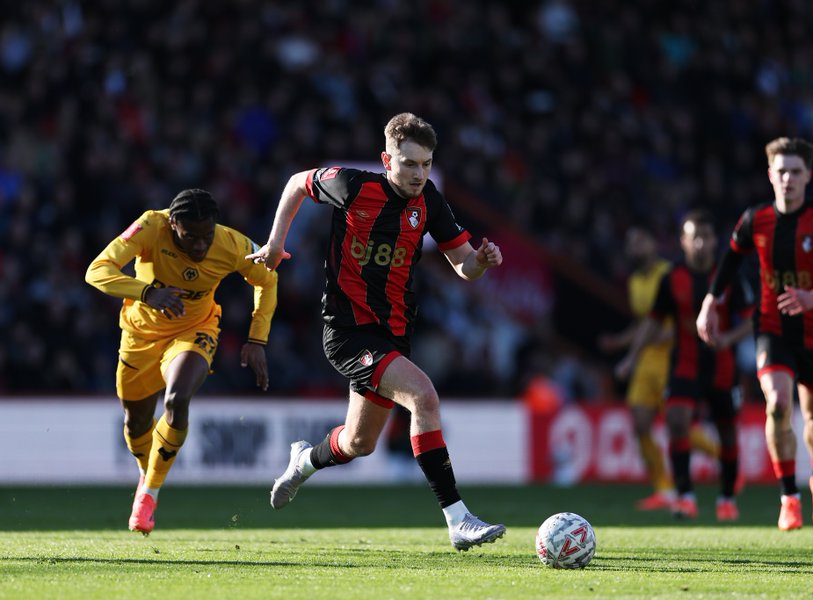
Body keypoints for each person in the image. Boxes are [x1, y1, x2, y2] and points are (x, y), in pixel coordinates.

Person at [246, 112, 506, 551]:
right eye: (409, 163)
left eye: (425, 164)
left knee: (359, 442)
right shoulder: (352, 185)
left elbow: (462, 264)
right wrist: (275, 244)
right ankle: (457, 519)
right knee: (423, 396)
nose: (419, 173)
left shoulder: (430, 203)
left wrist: (481, 260)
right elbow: (295, 183)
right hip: (347, 330)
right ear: (387, 159)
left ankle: (303, 461)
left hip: (393, 333)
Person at [696, 137, 813, 534]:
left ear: (808, 175)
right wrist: (710, 301)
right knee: (776, 404)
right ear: (770, 175)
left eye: (795, 171)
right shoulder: (754, 220)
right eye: (781, 171)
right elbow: (729, 261)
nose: (788, 178)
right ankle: (788, 496)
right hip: (772, 327)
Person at [85, 189, 277, 535]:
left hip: (195, 330)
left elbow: (268, 277)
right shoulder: (149, 227)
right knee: (135, 424)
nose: (201, 246)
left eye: (207, 236)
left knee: (176, 398)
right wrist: (146, 292)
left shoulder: (231, 244)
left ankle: (149, 494)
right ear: (173, 225)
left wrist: (257, 338)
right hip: (139, 337)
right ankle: (149, 475)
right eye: (191, 237)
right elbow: (97, 270)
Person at [616, 210, 753, 521]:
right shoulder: (672, 277)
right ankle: (685, 496)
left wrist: (728, 338)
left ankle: (727, 497)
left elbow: (751, 318)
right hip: (684, 364)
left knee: (727, 432)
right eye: (695, 238)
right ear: (683, 241)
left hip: (721, 364)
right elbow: (652, 323)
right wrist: (632, 358)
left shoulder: (729, 274)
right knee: (677, 422)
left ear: (716, 240)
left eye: (707, 237)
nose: (701, 244)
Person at [600, 226, 721, 511]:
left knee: (676, 424)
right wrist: (620, 344)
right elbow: (645, 323)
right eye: (631, 243)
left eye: (640, 239)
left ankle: (724, 456)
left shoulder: (670, 274)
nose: (635, 247)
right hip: (646, 360)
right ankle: (664, 487)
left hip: (672, 356)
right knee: (640, 422)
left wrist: (642, 345)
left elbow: (682, 320)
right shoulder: (634, 282)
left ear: (654, 243)